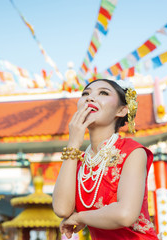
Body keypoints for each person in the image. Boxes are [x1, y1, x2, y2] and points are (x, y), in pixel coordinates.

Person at [52, 79, 158, 240]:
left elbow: (125, 214)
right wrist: (73, 142)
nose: (90, 98)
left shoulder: (132, 151)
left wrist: (80, 218)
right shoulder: (78, 162)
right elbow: (62, 209)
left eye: (103, 93)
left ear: (122, 110)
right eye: (85, 94)